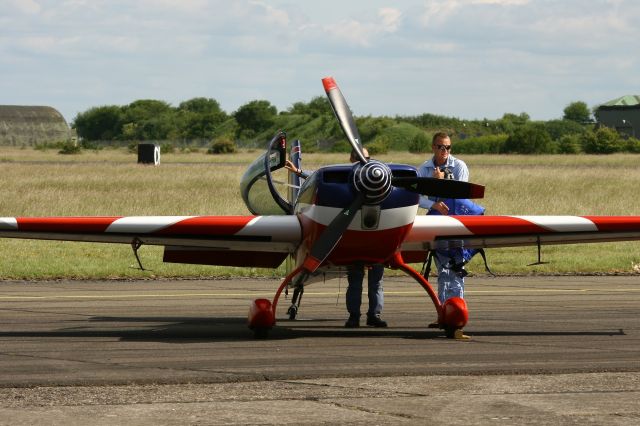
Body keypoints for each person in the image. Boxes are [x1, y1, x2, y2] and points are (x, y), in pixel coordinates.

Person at [285, 148, 387, 328]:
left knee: (375, 281)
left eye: (366, 157)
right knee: (355, 278)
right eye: (358, 157)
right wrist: (299, 172)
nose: (362, 161)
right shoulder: (344, 179)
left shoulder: (379, 179)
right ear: (351, 158)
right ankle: (354, 316)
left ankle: (374, 315)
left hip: (375, 239)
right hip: (351, 240)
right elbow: (320, 181)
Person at [417, 132, 470, 321]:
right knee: (442, 268)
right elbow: (417, 197)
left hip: (456, 224)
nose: (444, 151)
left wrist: (440, 184)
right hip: (436, 224)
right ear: (433, 147)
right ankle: (443, 312)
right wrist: (433, 203)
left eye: (448, 147)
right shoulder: (424, 169)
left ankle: (458, 310)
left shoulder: (459, 166)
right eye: (440, 147)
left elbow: (461, 193)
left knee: (457, 265)